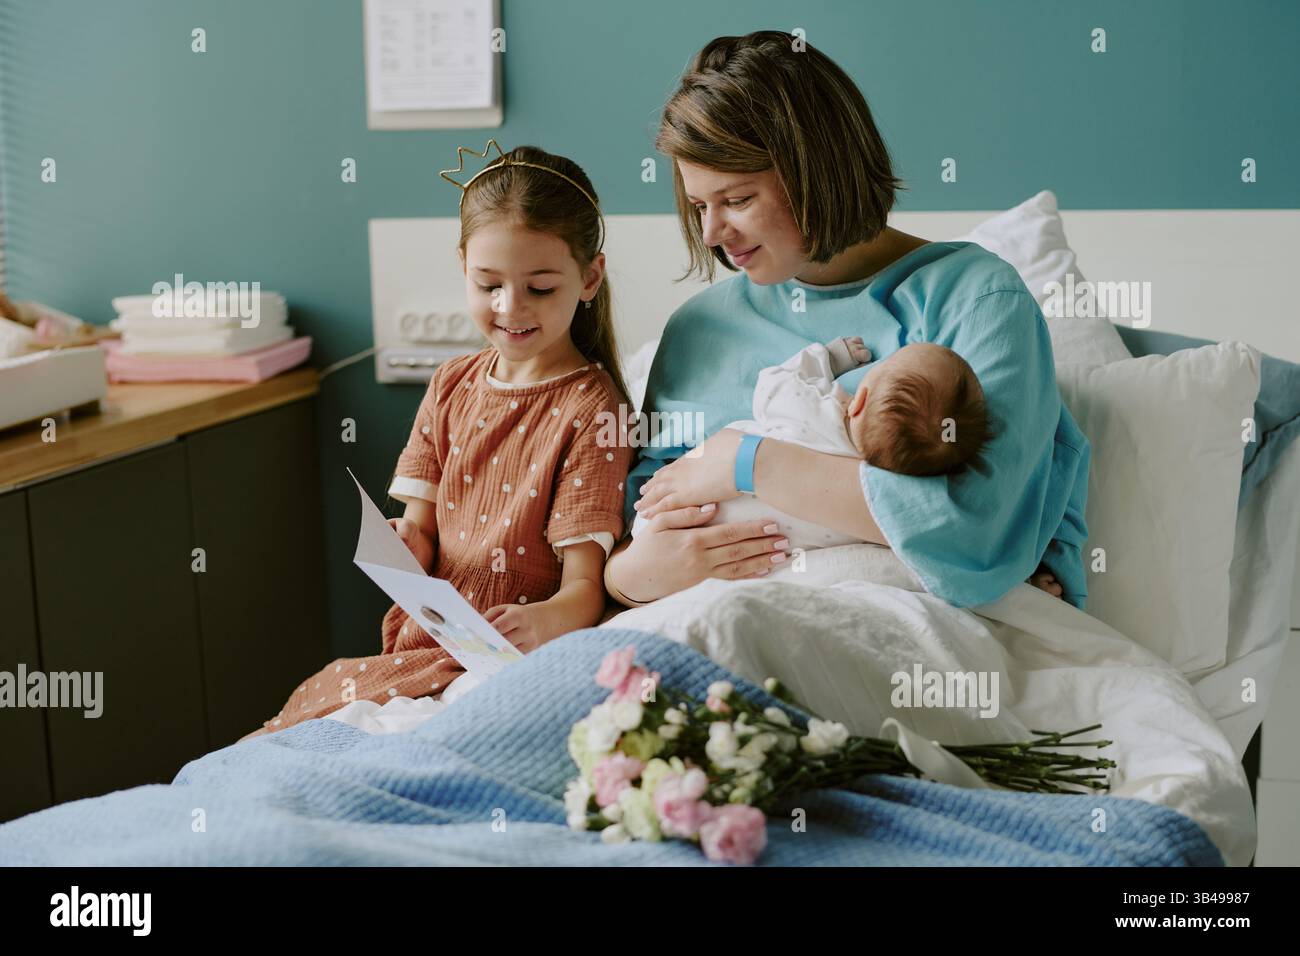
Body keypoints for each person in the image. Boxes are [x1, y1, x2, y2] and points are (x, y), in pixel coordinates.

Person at [604, 31, 1088, 610]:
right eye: (699, 206)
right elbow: (639, 523)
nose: (712, 234)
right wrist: (627, 578)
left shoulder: (978, 300)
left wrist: (745, 460)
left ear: (818, 170)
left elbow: (974, 530)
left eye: (735, 200)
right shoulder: (698, 329)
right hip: (695, 629)